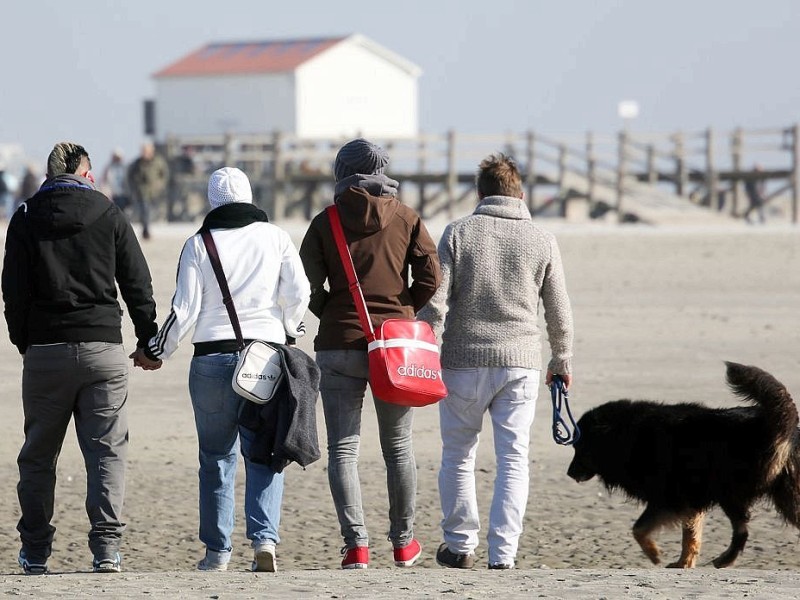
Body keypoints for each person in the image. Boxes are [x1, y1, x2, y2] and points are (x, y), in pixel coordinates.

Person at [130, 167, 311, 573]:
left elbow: (184, 310)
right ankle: (264, 540)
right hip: (265, 356)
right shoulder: (277, 237)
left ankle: (217, 553)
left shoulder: (199, 243)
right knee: (263, 452)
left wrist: (156, 351)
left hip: (211, 359)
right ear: (249, 196)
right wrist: (289, 328)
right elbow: (300, 291)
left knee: (216, 457)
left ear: (212, 201)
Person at [1, 142, 159, 575]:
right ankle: (106, 549)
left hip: (46, 351)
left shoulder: (27, 216)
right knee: (106, 453)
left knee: (37, 456)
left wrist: (25, 342)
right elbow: (137, 283)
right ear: (85, 172)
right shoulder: (108, 213)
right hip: (103, 348)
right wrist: (148, 341)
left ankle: (35, 552)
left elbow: (12, 290)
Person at [418, 153, 574, 570]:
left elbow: (436, 302)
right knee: (513, 458)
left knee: (458, 455)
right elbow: (558, 309)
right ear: (520, 195)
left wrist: (424, 344)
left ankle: (459, 544)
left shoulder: (459, 232)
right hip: (520, 361)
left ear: (480, 193)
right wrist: (561, 358)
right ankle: (503, 554)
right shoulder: (542, 239)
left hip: (462, 360)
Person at [299, 138, 442, 569]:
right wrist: (405, 309)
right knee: (398, 448)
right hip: (394, 346)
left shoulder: (326, 221)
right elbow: (432, 274)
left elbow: (305, 284)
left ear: (341, 172)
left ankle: (356, 546)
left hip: (339, 344)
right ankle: (403, 543)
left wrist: (331, 311)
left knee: (343, 449)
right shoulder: (406, 217)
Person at [127, 141, 169, 239]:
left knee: (154, 211)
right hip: (142, 192)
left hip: (155, 192)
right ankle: (146, 231)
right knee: (145, 211)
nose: (144, 153)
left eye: (146, 151)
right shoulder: (137, 163)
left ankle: (149, 228)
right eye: (143, 151)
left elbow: (164, 174)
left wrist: (160, 185)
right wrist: (134, 188)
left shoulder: (158, 162)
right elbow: (130, 176)